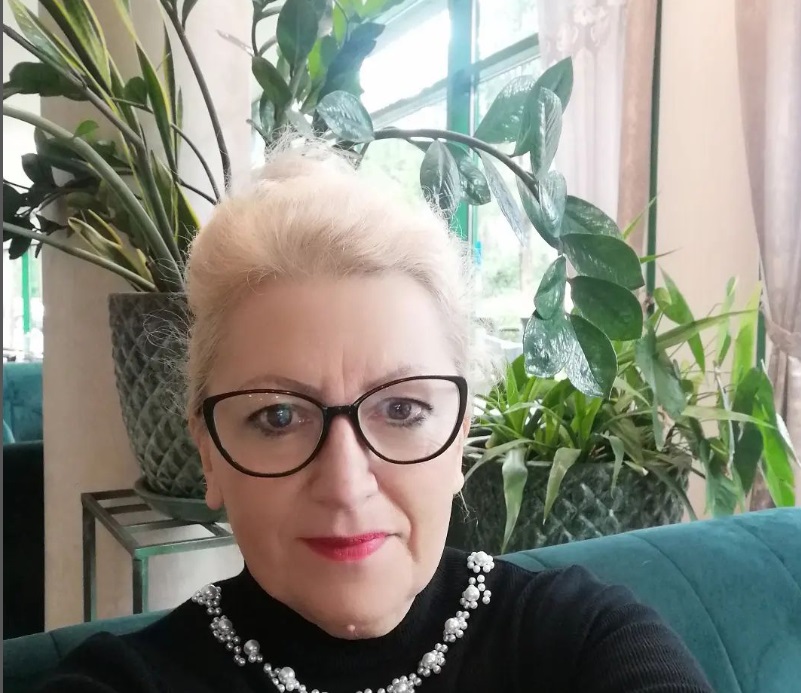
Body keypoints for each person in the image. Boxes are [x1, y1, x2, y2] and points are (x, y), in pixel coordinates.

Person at [39, 141, 713, 693]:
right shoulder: (122, 682)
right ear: (209, 453)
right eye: (278, 416)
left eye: (401, 408)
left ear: (459, 437)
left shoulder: (588, 642)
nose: (345, 484)